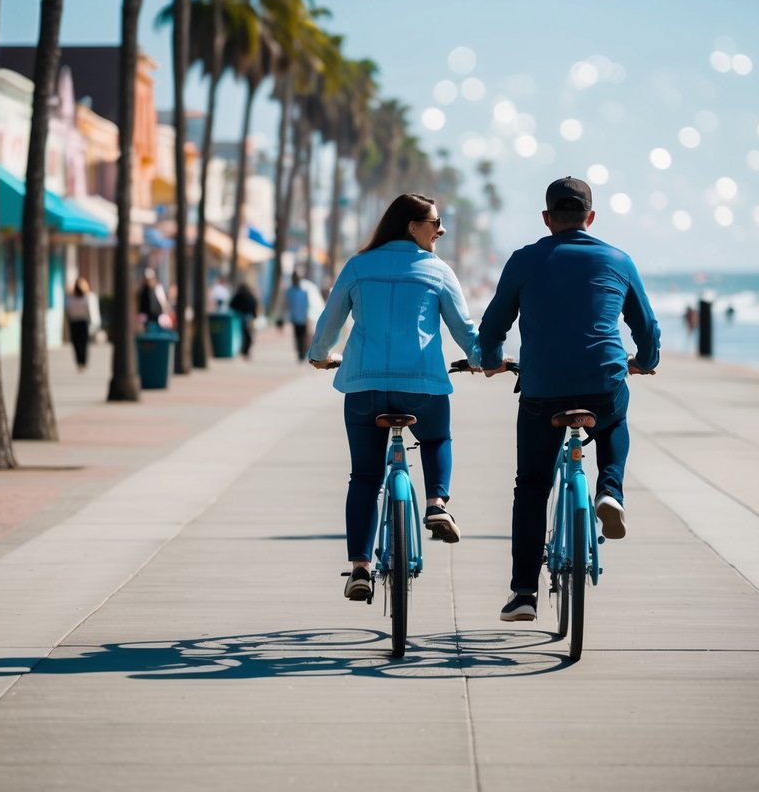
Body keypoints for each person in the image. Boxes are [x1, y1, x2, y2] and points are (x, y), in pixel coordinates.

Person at [478, 176, 660, 622]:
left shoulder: (524, 260)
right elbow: (647, 327)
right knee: (614, 420)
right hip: (602, 385)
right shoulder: (618, 259)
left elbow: (494, 323)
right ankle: (610, 491)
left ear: (547, 218)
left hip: (542, 391)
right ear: (591, 218)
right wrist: (645, 360)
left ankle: (523, 592)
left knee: (532, 487)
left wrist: (490, 360)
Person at [308, 193, 482, 602]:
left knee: (365, 477)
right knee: (437, 439)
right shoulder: (437, 270)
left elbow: (330, 320)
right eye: (435, 222)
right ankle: (437, 503)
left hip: (364, 387)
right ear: (411, 226)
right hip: (421, 387)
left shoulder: (358, 265)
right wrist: (481, 360)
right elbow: (464, 328)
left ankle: (360, 568)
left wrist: (320, 356)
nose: (440, 230)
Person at [65, 276, 100, 371]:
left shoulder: (88, 297)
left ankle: (82, 362)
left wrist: (93, 324)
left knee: (82, 343)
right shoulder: (72, 298)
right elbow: (68, 310)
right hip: (76, 322)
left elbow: (92, 311)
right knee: (77, 343)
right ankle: (80, 362)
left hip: (82, 322)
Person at [280, 269, 313, 362]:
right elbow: (286, 305)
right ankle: (300, 353)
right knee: (298, 336)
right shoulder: (290, 291)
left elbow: (308, 305)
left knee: (302, 336)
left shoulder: (303, 291)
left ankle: (302, 353)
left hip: (303, 317)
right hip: (296, 318)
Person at [228, 279, 260, 359]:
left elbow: (231, 304)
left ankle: (243, 351)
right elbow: (255, 305)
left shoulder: (239, 295)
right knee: (248, 335)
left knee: (244, 335)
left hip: (241, 316)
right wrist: (255, 316)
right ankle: (245, 352)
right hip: (249, 317)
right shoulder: (250, 295)